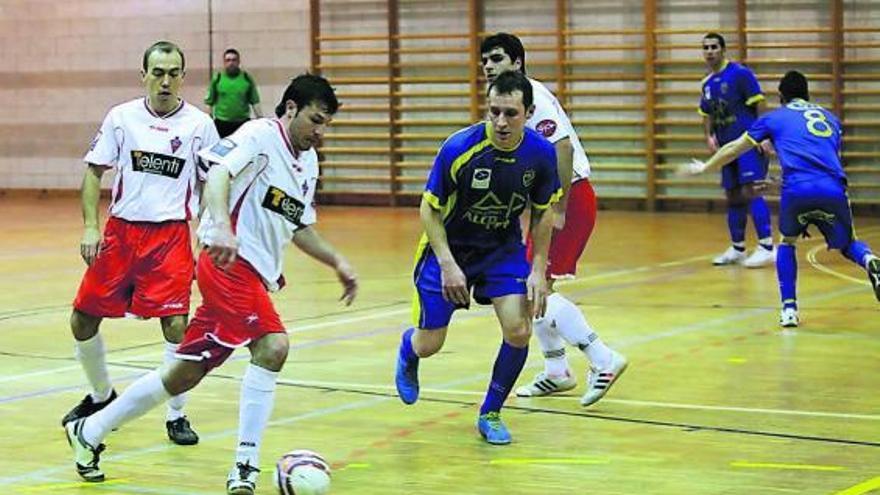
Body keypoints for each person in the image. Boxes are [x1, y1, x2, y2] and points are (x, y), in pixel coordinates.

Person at [64, 74, 359, 495]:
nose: (320, 131)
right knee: (272, 345)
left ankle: (89, 432)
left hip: (254, 273)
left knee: (183, 373)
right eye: (316, 120)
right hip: (226, 264)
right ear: (291, 108)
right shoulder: (259, 135)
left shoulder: (307, 163)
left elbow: (299, 226)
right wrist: (219, 223)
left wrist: (338, 261)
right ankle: (245, 466)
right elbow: (218, 173)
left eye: (327, 123)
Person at [63, 40, 220, 446]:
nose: (165, 81)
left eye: (173, 73)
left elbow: (211, 183)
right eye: (158, 72)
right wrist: (90, 227)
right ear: (144, 75)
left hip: (169, 237)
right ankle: (101, 396)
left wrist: (210, 231)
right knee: (81, 319)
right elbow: (94, 172)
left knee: (177, 326)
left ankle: (176, 414)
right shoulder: (122, 118)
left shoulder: (200, 125)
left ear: (183, 77)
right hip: (121, 233)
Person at [394, 71, 561, 445]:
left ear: (529, 112)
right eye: (494, 112)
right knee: (430, 344)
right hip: (450, 251)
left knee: (519, 330)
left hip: (501, 251)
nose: (501, 122)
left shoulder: (540, 154)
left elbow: (544, 210)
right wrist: (449, 265)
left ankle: (491, 411)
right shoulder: (459, 149)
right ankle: (409, 348)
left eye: (511, 114)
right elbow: (429, 209)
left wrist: (538, 269)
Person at [480, 32, 627, 406]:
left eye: (496, 58)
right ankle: (557, 370)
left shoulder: (533, 99)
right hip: (552, 202)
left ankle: (602, 358)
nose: (487, 66)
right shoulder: (512, 101)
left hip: (570, 197)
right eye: (484, 60)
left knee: (533, 288)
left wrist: (556, 206)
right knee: (529, 287)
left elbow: (561, 148)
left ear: (516, 61)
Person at [681, 70, 880, 327]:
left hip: (797, 190)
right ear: (807, 94)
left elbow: (733, 148)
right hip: (833, 187)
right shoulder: (832, 120)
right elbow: (820, 161)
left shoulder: (774, 118)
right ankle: (870, 260)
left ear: (781, 96)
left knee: (787, 243)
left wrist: (705, 167)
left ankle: (789, 310)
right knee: (848, 243)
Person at [699, 32, 776, 268]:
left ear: (723, 49)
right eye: (706, 48)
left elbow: (760, 104)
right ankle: (738, 248)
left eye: (714, 47)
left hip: (747, 144)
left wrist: (763, 136)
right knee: (733, 196)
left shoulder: (740, 74)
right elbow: (706, 113)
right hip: (727, 149)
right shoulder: (707, 83)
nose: (710, 51)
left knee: (752, 190)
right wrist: (709, 136)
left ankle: (766, 246)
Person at [205, 48, 263, 138]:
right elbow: (209, 103)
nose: (231, 63)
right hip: (222, 124)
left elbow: (255, 102)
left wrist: (262, 122)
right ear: (224, 63)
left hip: (243, 124)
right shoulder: (218, 78)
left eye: (234, 60)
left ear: (239, 62)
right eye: (228, 60)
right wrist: (210, 123)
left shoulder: (246, 78)